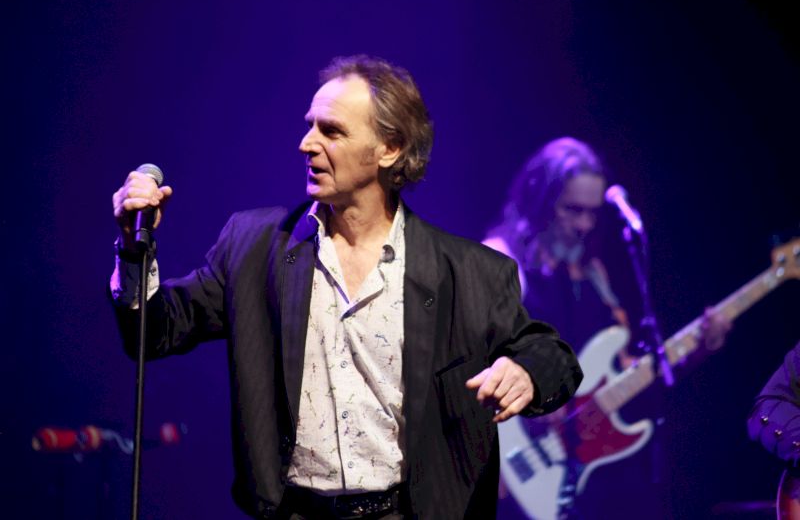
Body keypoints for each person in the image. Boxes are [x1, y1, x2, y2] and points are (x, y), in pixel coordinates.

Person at [110, 56, 583, 519]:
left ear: (389, 149)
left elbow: (553, 356)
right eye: (310, 126)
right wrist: (132, 248)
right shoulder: (255, 248)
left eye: (331, 131)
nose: (306, 144)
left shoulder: (468, 271)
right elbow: (154, 331)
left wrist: (526, 371)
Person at [483, 137, 731, 518]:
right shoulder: (504, 262)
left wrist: (696, 350)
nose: (584, 225)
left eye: (592, 213)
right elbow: (464, 359)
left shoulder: (592, 275)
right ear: (539, 202)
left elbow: (628, 370)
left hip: (593, 471)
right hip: (519, 462)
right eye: (572, 210)